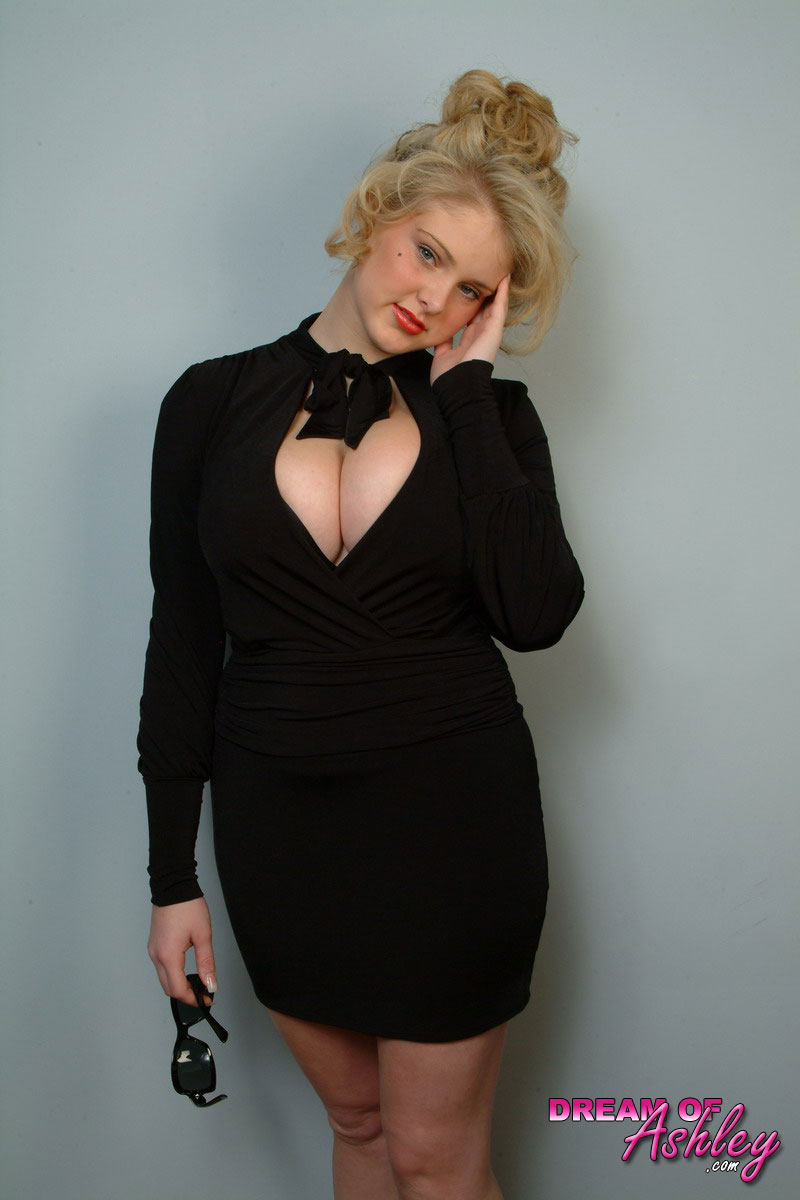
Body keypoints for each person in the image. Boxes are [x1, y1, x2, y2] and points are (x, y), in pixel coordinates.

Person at [138, 67, 584, 1200]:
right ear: (376, 213)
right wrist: (171, 877)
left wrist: (467, 391)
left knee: (437, 1160)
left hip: (453, 823)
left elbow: (536, 616)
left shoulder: (492, 419)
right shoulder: (208, 402)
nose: (433, 299)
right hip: (279, 831)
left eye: (470, 288)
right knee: (358, 1125)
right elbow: (183, 641)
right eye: (426, 252)